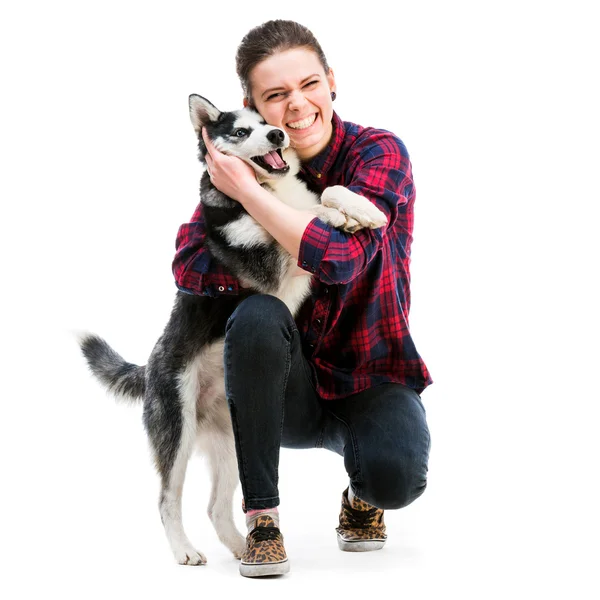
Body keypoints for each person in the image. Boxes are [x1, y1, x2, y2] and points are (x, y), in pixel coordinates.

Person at [172, 19, 432, 578]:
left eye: (308, 85)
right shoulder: (241, 169)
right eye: (275, 95)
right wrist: (242, 191)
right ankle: (262, 519)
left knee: (397, 477)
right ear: (251, 107)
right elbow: (188, 263)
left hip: (369, 373)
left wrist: (249, 196)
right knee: (258, 316)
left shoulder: (377, 153)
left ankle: (363, 492)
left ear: (331, 81)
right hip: (279, 386)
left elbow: (338, 260)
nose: (297, 106)